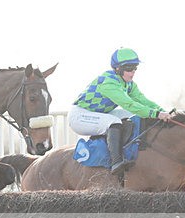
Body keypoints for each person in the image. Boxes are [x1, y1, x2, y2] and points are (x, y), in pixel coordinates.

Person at [68, 47, 173, 176]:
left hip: (99, 113)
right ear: (118, 69)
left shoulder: (129, 84)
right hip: (79, 116)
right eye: (129, 69)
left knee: (132, 116)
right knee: (114, 121)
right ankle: (116, 162)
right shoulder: (109, 83)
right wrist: (156, 114)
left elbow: (143, 101)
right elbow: (129, 104)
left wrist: (163, 112)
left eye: (135, 68)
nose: (133, 72)